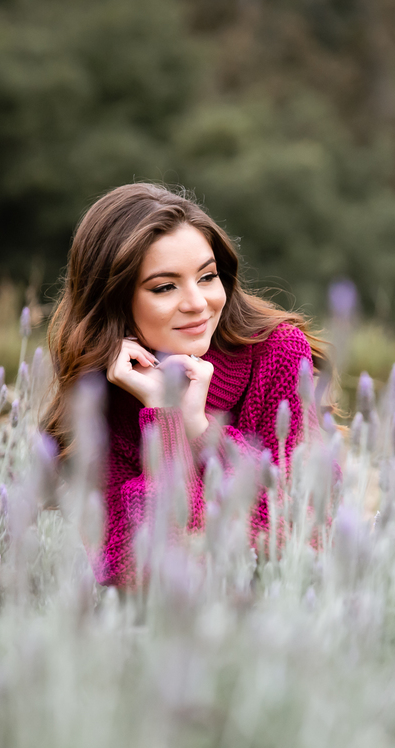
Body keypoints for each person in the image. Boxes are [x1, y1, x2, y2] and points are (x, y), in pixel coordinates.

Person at [43, 183, 329, 587]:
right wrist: (164, 415)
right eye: (165, 287)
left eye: (207, 277)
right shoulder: (101, 399)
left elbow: (298, 533)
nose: (198, 302)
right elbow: (138, 574)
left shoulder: (276, 353)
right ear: (116, 303)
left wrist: (200, 428)